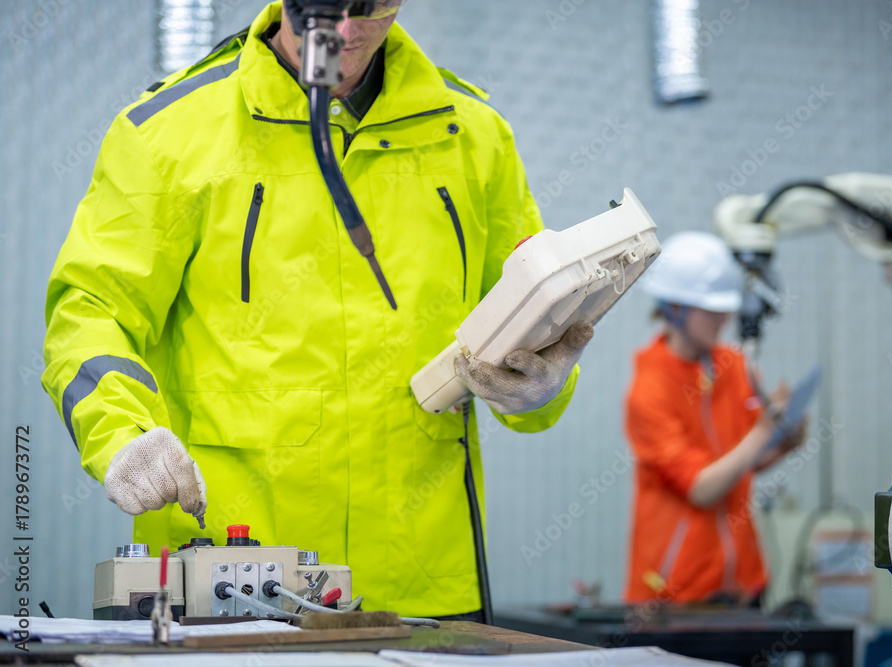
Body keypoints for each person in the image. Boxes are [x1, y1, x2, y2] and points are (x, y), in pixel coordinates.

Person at [42, 0, 592, 620]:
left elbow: (530, 306)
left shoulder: (472, 135)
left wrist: (544, 382)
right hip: (231, 581)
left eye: (372, 5)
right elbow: (91, 309)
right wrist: (120, 431)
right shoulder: (170, 132)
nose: (348, 30)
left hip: (425, 590)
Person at [623, 231, 804, 605]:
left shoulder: (733, 365)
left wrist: (784, 441)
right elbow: (702, 488)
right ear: (674, 307)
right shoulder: (649, 389)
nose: (724, 318)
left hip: (745, 584)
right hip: (678, 595)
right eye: (711, 309)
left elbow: (743, 464)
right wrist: (763, 431)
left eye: (725, 307)